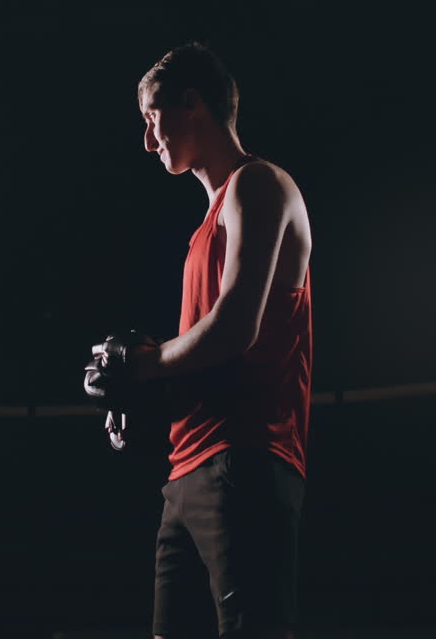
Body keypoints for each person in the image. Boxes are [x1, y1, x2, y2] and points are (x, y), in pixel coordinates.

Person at [88, 42, 313, 639]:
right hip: (189, 468)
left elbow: (235, 328)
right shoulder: (204, 228)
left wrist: (144, 365)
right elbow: (205, 353)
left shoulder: (258, 185)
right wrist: (143, 381)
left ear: (192, 103)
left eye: (150, 118)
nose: (146, 140)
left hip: (245, 460)